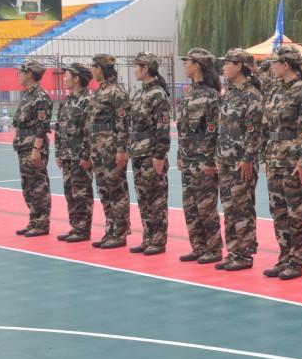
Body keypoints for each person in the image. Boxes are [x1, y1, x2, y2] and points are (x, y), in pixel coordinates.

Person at [261, 43, 302, 280]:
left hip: (294, 161)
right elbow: (266, 126)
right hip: (275, 158)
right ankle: (285, 256)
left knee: (297, 213)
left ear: (285, 64)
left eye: (275, 63)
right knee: (278, 212)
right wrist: (265, 156)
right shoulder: (275, 90)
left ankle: (297, 260)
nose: (272, 67)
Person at [215, 49, 263, 271]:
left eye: (228, 63)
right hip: (226, 158)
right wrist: (219, 155)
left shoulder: (251, 95)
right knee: (229, 207)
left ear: (239, 66)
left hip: (241, 160)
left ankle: (245, 253)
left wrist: (248, 158)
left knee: (242, 207)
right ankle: (233, 250)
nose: (224, 67)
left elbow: (254, 131)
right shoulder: (230, 92)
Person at [177, 48, 223, 265]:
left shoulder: (211, 96)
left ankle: (213, 248)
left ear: (197, 65)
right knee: (190, 206)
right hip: (188, 158)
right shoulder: (188, 94)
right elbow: (183, 129)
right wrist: (180, 154)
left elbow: (214, 131)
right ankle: (198, 246)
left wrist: (210, 160)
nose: (184, 65)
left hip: (203, 160)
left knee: (206, 206)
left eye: (187, 62)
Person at [129, 52, 172, 256]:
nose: (134, 70)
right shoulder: (140, 93)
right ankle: (148, 237)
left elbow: (162, 127)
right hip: (138, 152)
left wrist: (160, 155)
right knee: (143, 198)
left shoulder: (158, 94)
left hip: (151, 153)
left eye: (136, 66)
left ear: (145, 69)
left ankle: (158, 240)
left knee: (156, 199)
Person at [86, 54, 131, 250]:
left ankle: (120, 233)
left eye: (93, 67)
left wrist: (121, 150)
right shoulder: (99, 91)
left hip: (112, 148)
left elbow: (123, 124)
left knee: (116, 190)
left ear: (100, 68)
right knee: (104, 190)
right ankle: (110, 229)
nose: (92, 71)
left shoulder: (117, 92)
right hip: (98, 148)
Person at [54, 63, 95, 243]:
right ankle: (75, 226)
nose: (64, 79)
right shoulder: (66, 101)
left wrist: (86, 154)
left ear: (76, 78)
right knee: (69, 191)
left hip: (79, 155)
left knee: (81, 192)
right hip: (66, 153)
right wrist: (58, 151)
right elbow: (58, 128)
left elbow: (89, 130)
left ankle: (83, 229)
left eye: (67, 76)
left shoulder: (87, 101)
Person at [12, 59, 52, 237]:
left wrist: (37, 149)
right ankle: (34, 220)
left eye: (20, 72)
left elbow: (43, 126)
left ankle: (42, 223)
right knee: (28, 186)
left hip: (33, 146)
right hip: (23, 145)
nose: (18, 75)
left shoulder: (40, 97)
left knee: (38, 186)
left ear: (29, 74)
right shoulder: (29, 95)